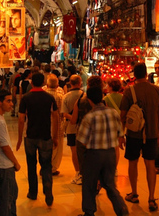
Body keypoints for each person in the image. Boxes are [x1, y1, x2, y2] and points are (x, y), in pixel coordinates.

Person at [120, 62, 159, 212]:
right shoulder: (157, 90)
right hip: (152, 133)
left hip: (134, 134)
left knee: (132, 163)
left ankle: (134, 193)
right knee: (150, 164)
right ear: (147, 74)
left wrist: (121, 133)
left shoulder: (129, 91)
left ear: (134, 74)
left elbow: (123, 115)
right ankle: (151, 198)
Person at [77, 86, 129, 216]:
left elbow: (82, 140)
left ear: (89, 100)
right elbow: (120, 133)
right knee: (110, 184)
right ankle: (122, 210)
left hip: (94, 154)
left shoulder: (89, 117)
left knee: (89, 183)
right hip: (110, 153)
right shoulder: (113, 113)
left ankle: (89, 212)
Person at [16, 73, 59, 205]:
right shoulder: (49, 98)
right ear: (43, 82)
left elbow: (21, 119)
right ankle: (48, 190)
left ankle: (33, 192)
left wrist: (19, 138)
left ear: (32, 83)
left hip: (31, 136)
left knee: (31, 165)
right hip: (46, 136)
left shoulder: (26, 98)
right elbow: (56, 117)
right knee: (46, 165)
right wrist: (55, 136)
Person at [60, 74, 84, 185]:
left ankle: (78, 173)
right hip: (84, 127)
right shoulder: (84, 96)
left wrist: (73, 118)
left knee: (74, 151)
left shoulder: (66, 96)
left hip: (71, 127)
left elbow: (64, 113)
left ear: (70, 82)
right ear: (80, 83)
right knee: (84, 151)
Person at [43, 74, 65, 176]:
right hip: (58, 126)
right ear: (57, 86)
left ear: (47, 85)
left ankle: (45, 167)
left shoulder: (43, 95)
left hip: (44, 125)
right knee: (57, 149)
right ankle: (53, 168)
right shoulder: (61, 97)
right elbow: (62, 113)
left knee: (44, 148)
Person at [104, 77, 124, 170]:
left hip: (110, 125)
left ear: (111, 86)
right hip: (120, 124)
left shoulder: (106, 98)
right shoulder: (123, 97)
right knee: (116, 148)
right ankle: (114, 168)